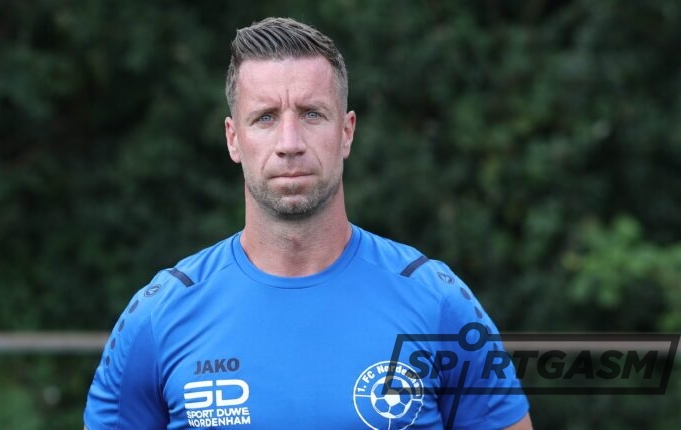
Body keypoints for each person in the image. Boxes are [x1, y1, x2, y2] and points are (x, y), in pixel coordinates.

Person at [84, 17, 532, 430]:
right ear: (233, 139)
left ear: (347, 132)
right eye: (265, 118)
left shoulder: (437, 303)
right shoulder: (160, 315)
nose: (290, 143)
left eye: (312, 114)